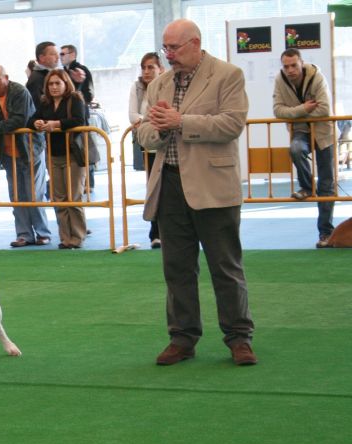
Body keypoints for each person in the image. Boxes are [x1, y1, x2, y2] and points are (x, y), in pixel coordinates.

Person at [137, 19, 257, 366]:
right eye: (165, 48)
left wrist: (181, 123)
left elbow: (232, 124)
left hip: (213, 186)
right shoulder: (158, 83)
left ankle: (239, 338)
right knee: (177, 268)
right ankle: (182, 338)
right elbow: (144, 133)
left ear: (195, 43)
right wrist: (157, 130)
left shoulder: (227, 75)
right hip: (169, 186)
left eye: (174, 48)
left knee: (225, 265)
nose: (168, 54)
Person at [0, 65, 51, 247]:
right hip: (7, 153)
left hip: (30, 149)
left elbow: (20, 120)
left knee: (34, 193)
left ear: (6, 77)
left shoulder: (20, 91)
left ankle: (42, 233)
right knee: (16, 195)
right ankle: (24, 234)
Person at [272, 48, 335, 248]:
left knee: (327, 185)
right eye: (286, 66)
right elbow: (277, 111)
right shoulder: (280, 80)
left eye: (294, 65)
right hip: (300, 131)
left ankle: (325, 233)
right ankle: (307, 186)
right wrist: (304, 109)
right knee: (296, 149)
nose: (290, 70)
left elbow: (324, 108)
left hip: (324, 133)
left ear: (302, 63)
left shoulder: (317, 77)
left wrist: (293, 113)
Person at [28, 69, 87, 249]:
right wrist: (36, 123)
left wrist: (56, 124)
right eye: (50, 84)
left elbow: (80, 120)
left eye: (57, 83)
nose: (54, 87)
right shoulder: (45, 103)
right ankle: (65, 237)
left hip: (73, 155)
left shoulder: (75, 99)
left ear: (65, 83)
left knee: (74, 197)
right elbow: (30, 121)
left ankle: (77, 237)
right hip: (53, 155)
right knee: (59, 198)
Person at [129, 52, 165, 249]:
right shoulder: (137, 87)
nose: (147, 71)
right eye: (144, 67)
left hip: (166, 145)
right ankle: (155, 233)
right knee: (153, 191)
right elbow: (132, 115)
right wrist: (149, 122)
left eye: (151, 67)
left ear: (160, 68)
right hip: (148, 146)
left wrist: (148, 121)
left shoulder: (168, 85)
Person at [26, 41, 60, 108]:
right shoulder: (37, 78)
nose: (58, 57)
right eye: (53, 54)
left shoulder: (50, 75)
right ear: (42, 58)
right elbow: (38, 106)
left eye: (57, 54)